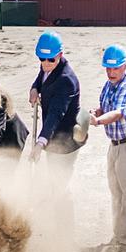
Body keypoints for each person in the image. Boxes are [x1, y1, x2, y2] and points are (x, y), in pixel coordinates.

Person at [89, 45, 126, 247]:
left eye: (115, 68)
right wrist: (97, 112)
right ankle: (118, 235)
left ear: (124, 66)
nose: (111, 72)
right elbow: (106, 108)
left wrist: (98, 121)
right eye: (108, 68)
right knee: (116, 193)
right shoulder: (109, 85)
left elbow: (118, 113)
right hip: (115, 145)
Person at [28, 31, 83, 182]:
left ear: (60, 54)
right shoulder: (48, 65)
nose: (45, 63)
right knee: (53, 178)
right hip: (52, 137)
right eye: (41, 59)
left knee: (60, 183)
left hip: (66, 138)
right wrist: (34, 88)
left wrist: (40, 143)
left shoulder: (66, 81)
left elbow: (55, 114)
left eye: (50, 59)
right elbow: (41, 78)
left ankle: (63, 205)